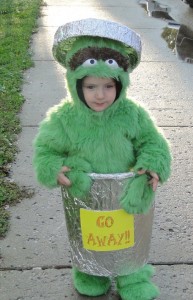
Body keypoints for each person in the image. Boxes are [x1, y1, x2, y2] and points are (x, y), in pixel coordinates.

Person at [33, 18, 171, 300]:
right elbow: (46, 149)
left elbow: (153, 141)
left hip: (125, 193)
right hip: (85, 194)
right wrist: (52, 167)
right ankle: (88, 271)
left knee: (128, 236)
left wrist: (153, 164)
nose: (100, 95)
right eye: (91, 87)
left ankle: (131, 276)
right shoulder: (63, 119)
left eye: (108, 86)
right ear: (76, 85)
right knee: (88, 237)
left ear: (120, 84)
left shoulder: (131, 113)